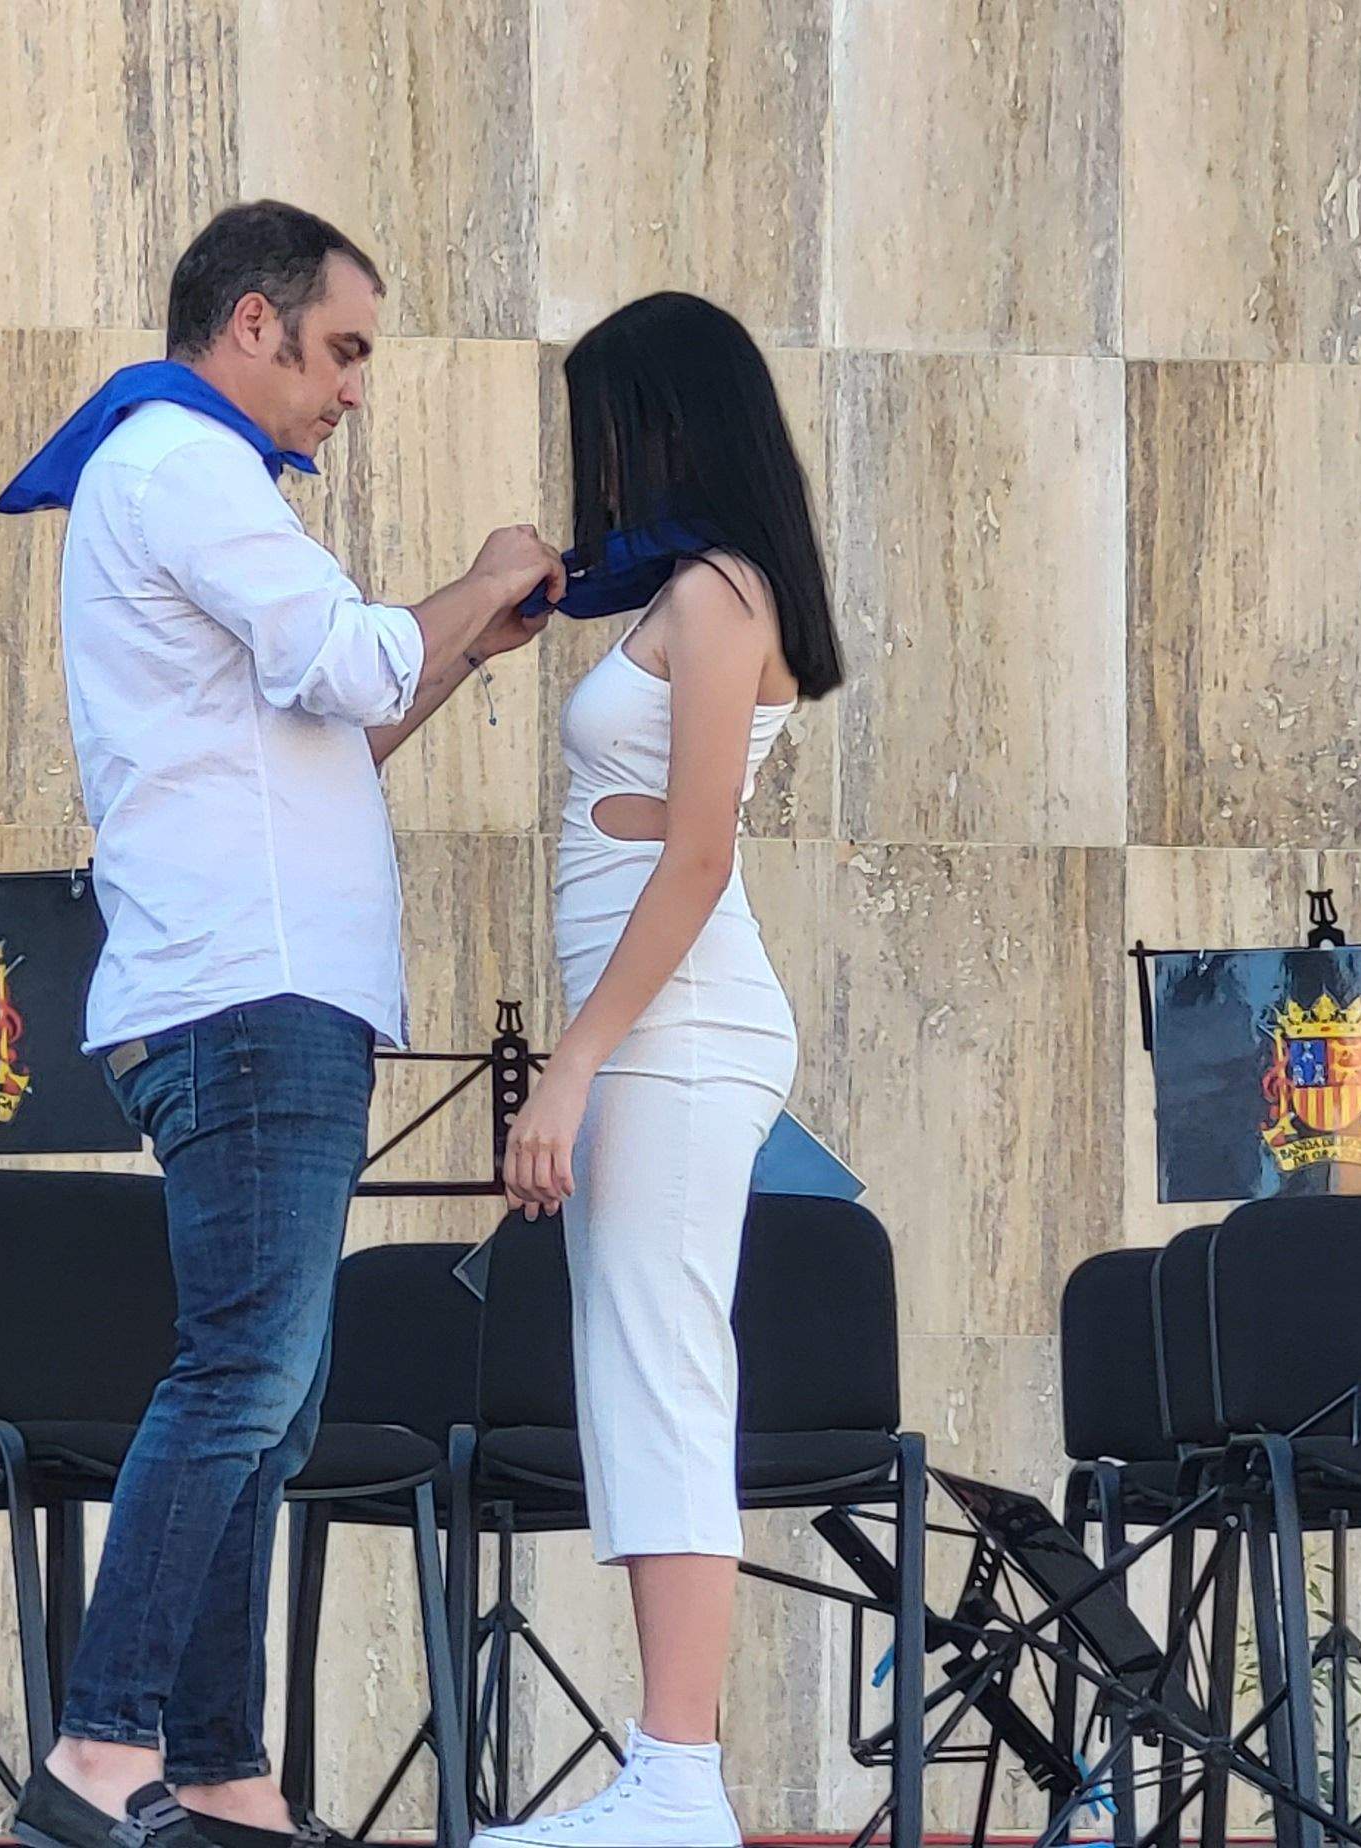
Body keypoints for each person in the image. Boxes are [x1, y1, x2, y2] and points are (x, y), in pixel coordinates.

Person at [0, 199, 560, 1848]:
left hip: (247, 989)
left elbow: (337, 732)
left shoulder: (174, 475)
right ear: (253, 323)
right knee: (245, 1374)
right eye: (344, 350)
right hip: (245, 995)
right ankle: (103, 1755)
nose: (353, 392)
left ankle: (224, 1772)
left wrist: (459, 645)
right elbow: (348, 658)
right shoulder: (183, 459)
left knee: (273, 1391)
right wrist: (481, 580)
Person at [477, 291, 842, 1848]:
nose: (596, 458)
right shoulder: (669, 588)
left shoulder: (719, 593)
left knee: (663, 1373)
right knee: (639, 1377)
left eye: (611, 423)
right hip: (657, 1021)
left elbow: (695, 857)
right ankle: (666, 1768)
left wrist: (573, 1067)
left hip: (678, 1023)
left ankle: (680, 1774)